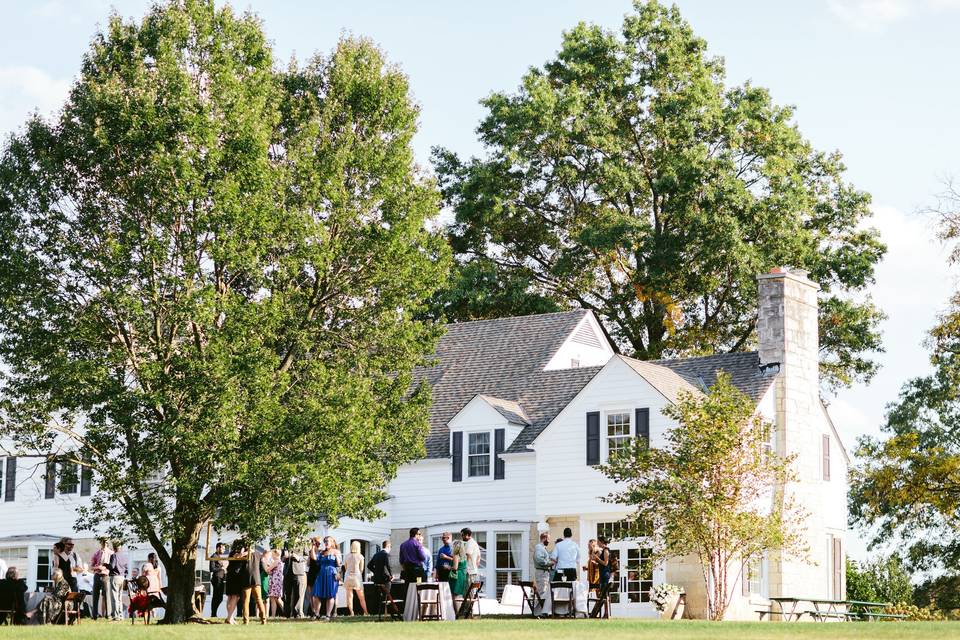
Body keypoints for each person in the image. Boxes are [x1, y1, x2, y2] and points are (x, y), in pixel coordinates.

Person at [310, 536, 341, 621]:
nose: (326, 543)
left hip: (331, 574)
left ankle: (328, 615)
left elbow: (339, 564)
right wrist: (313, 547)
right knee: (316, 594)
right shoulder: (322, 552)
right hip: (321, 574)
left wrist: (336, 556)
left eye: (327, 541)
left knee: (330, 595)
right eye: (325, 541)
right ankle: (316, 614)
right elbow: (315, 558)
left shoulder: (336, 551)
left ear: (332, 542)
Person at [342, 540, 368, 616]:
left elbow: (346, 567)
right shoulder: (360, 556)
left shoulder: (347, 556)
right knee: (361, 597)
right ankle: (366, 612)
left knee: (349, 597)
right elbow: (362, 569)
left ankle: (351, 612)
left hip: (348, 577)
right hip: (357, 577)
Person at [90, 537, 113, 620]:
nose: (104, 543)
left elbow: (113, 566)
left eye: (106, 542)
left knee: (107, 596)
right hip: (97, 576)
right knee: (95, 596)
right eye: (103, 542)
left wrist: (105, 568)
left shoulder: (111, 553)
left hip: (106, 576)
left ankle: (108, 614)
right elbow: (91, 566)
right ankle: (94, 615)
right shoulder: (96, 553)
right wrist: (97, 567)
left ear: (108, 543)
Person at [107, 540, 128, 621]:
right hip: (122, 577)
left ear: (114, 547)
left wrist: (106, 565)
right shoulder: (124, 556)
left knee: (114, 598)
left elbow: (112, 566)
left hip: (115, 577)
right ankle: (120, 615)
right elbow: (126, 568)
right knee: (120, 598)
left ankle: (115, 616)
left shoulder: (114, 555)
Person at [284, 547, 307, 619]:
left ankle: (297, 613)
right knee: (286, 593)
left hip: (298, 572)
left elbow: (306, 557)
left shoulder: (303, 543)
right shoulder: (286, 543)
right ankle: (287, 613)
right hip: (287, 571)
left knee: (299, 593)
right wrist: (284, 557)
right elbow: (282, 558)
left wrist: (298, 558)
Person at [263, 545, 284, 618]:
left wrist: (265, 563)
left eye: (272, 554)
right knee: (273, 598)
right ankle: (273, 615)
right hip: (274, 581)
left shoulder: (276, 561)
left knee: (277, 598)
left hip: (275, 582)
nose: (271, 556)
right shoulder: (278, 561)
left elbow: (268, 570)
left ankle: (285, 612)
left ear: (276, 554)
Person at [209, 542, 229, 618]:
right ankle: (213, 613)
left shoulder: (219, 556)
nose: (224, 550)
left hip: (221, 579)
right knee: (216, 596)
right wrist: (222, 568)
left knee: (219, 597)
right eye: (223, 548)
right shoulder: (214, 556)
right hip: (217, 578)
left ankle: (214, 613)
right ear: (218, 548)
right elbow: (211, 568)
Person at [533, 532, 553, 600]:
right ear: (544, 538)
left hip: (544, 572)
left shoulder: (542, 548)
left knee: (543, 591)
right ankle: (540, 610)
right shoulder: (539, 547)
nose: (549, 541)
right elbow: (539, 559)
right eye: (548, 539)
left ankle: (541, 609)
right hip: (542, 573)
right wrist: (550, 563)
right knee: (542, 592)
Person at [305, 538, 321, 617]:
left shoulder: (320, 552)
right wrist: (309, 555)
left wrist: (312, 549)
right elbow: (308, 564)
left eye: (313, 543)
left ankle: (316, 611)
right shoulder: (311, 552)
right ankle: (313, 611)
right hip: (311, 573)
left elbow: (315, 559)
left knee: (316, 594)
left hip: (317, 573)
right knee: (310, 594)